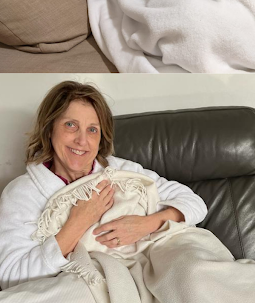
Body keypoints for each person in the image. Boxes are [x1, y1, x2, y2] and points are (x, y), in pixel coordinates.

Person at [0, 80, 207, 290]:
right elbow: (10, 278)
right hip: (84, 289)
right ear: (49, 128)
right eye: (70, 125)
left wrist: (148, 224)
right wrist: (79, 222)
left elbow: (195, 203)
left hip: (148, 274)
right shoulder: (22, 194)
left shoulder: (122, 172)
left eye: (92, 129)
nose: (82, 140)